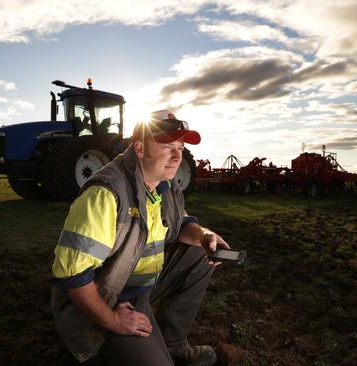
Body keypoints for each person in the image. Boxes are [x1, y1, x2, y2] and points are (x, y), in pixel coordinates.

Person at [51, 110, 230, 366]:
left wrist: (204, 235)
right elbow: (73, 277)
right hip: (106, 300)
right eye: (168, 146)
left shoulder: (163, 185)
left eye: (180, 147)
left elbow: (180, 224)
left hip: (138, 287)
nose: (178, 156)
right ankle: (102, 345)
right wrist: (114, 320)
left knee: (199, 254)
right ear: (139, 148)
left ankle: (174, 344)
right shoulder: (105, 194)